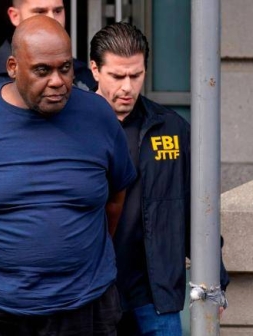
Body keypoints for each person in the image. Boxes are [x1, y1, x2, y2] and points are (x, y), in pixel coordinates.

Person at [0, 15, 136, 335]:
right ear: (12, 67)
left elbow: (116, 195)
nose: (58, 81)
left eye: (65, 68)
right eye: (42, 70)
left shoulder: (97, 115)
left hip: (83, 305)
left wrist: (79, 253)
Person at [89, 22, 229, 335]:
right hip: (91, 293)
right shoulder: (74, 126)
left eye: (135, 75)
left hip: (155, 293)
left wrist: (216, 278)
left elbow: (198, 205)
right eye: (117, 76)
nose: (127, 87)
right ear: (95, 69)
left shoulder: (172, 129)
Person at [0, 0, 96, 99]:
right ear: (15, 16)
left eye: (58, 10)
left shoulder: (81, 72)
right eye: (40, 11)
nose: (52, 19)